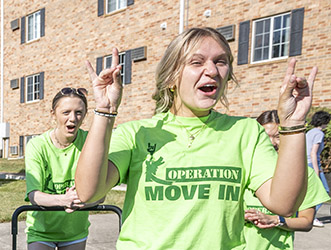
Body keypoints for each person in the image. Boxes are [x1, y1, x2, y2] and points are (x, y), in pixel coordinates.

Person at [74, 27, 318, 249]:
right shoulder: (136, 133)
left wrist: (293, 124)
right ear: (171, 77)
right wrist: (105, 110)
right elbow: (88, 192)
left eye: (220, 61)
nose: (211, 71)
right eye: (196, 62)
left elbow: (283, 204)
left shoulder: (246, 132)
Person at [24, 87, 102, 250]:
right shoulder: (37, 146)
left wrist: (81, 202)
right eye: (66, 112)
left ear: (85, 114)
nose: (72, 118)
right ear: (53, 114)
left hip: (74, 232)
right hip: (41, 231)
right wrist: (65, 200)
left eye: (78, 112)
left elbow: (100, 195)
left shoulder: (90, 142)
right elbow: (34, 195)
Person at [241, 110, 330, 249]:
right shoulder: (242, 168)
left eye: (278, 137)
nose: (271, 143)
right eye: (264, 137)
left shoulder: (304, 175)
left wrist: (275, 220)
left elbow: (306, 222)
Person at [305, 111, 330, 227]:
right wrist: (317, 171)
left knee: (311, 192)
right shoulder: (319, 134)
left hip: (305, 163)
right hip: (313, 164)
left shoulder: (309, 132)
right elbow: (313, 153)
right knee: (324, 191)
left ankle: (306, 215)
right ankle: (312, 217)